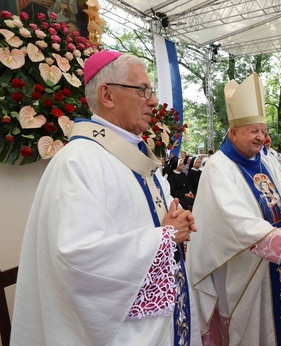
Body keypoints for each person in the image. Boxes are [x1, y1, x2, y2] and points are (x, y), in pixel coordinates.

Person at [10, 51, 201, 345]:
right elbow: (77, 259)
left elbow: (161, 225)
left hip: (166, 322)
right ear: (107, 95)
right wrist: (165, 237)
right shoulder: (79, 162)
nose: (153, 101)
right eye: (143, 90)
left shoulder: (136, 157)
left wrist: (175, 223)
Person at [186, 73, 281, 346]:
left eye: (263, 131)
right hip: (249, 267)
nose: (261, 137)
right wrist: (273, 239)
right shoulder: (218, 167)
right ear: (233, 132)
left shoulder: (265, 160)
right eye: (254, 131)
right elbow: (229, 217)